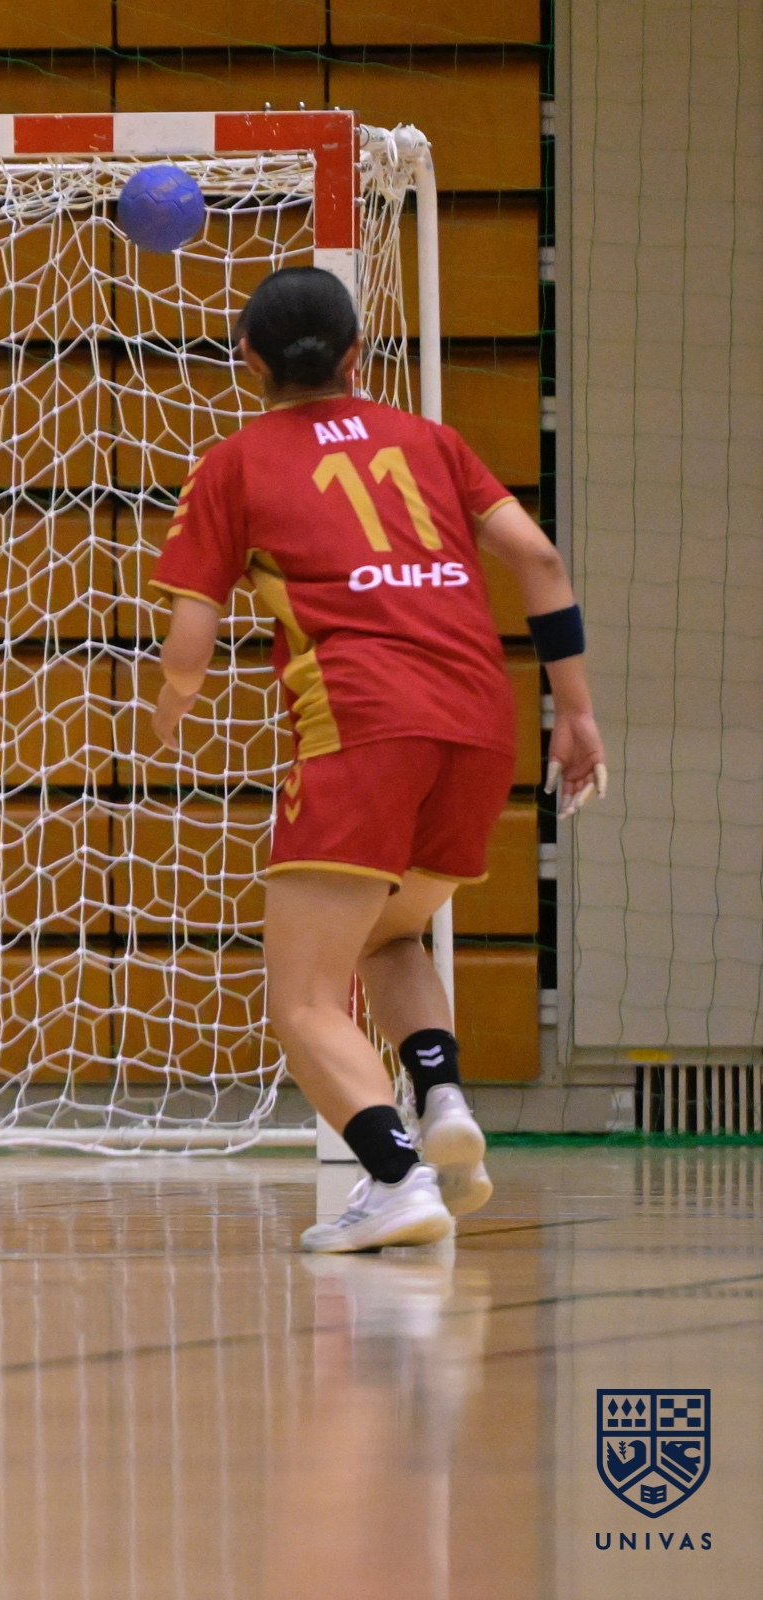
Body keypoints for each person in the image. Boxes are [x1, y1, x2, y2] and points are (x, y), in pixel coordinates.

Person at [151, 266, 606, 1254]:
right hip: (478, 724)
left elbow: (189, 641)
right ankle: (441, 1094)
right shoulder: (431, 442)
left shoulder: (234, 464)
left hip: (362, 726)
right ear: (356, 356)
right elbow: (539, 560)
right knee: (391, 934)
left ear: (248, 358)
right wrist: (573, 711)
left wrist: (168, 707)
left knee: (304, 1000)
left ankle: (397, 1178)